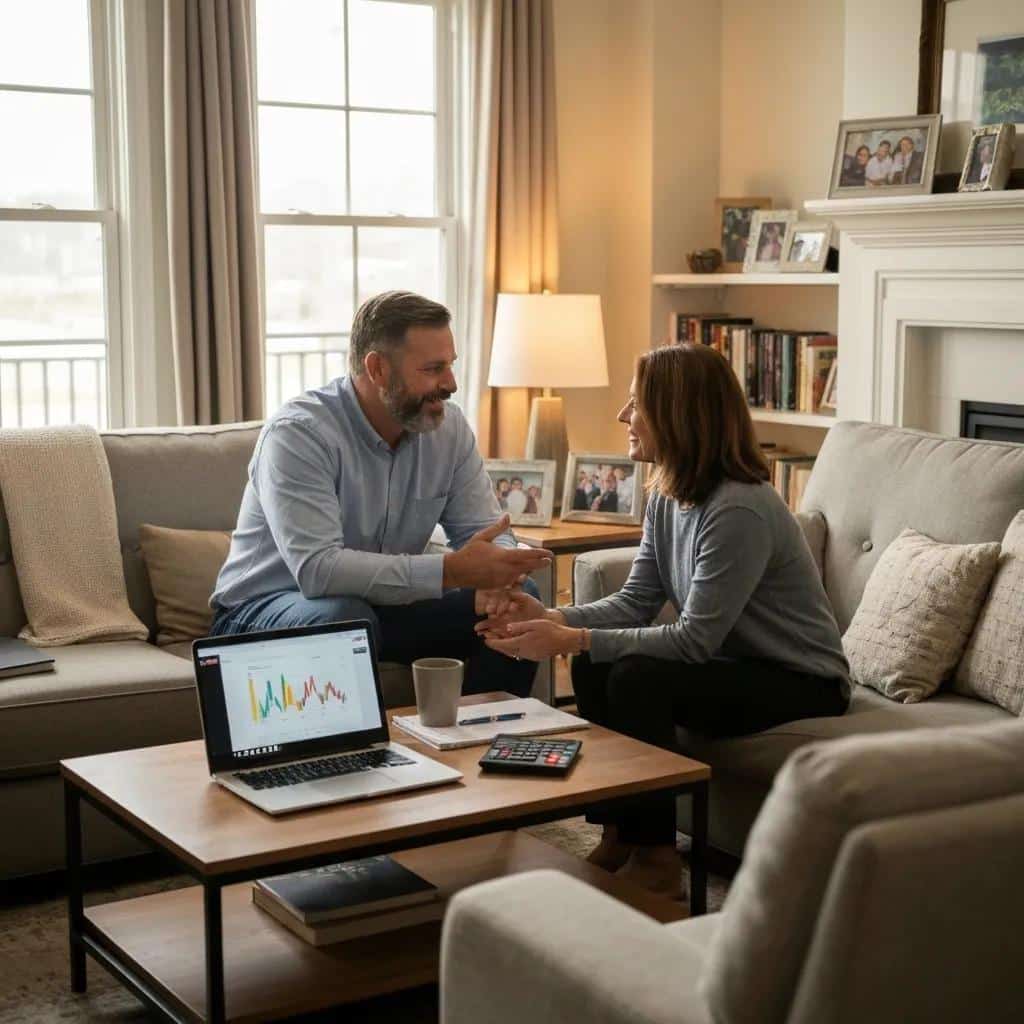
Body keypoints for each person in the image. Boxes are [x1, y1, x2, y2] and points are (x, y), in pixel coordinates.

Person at [475, 344, 849, 896]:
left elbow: (695, 641)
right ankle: (622, 832)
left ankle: (657, 856)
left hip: (800, 679)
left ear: (678, 414)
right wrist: (552, 617)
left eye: (636, 405)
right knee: (596, 661)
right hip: (733, 662)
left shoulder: (738, 509)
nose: (624, 417)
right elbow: (635, 600)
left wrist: (570, 635)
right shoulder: (669, 495)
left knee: (633, 673)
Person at [210, 291, 552, 697]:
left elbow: (487, 530)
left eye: (451, 366)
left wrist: (503, 573)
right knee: (345, 618)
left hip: (381, 608)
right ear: (378, 369)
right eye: (433, 369)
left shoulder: (449, 429)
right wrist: (453, 572)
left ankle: (488, 743)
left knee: (520, 601)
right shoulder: (299, 434)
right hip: (267, 607)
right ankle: (360, 759)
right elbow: (320, 571)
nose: (451, 384)